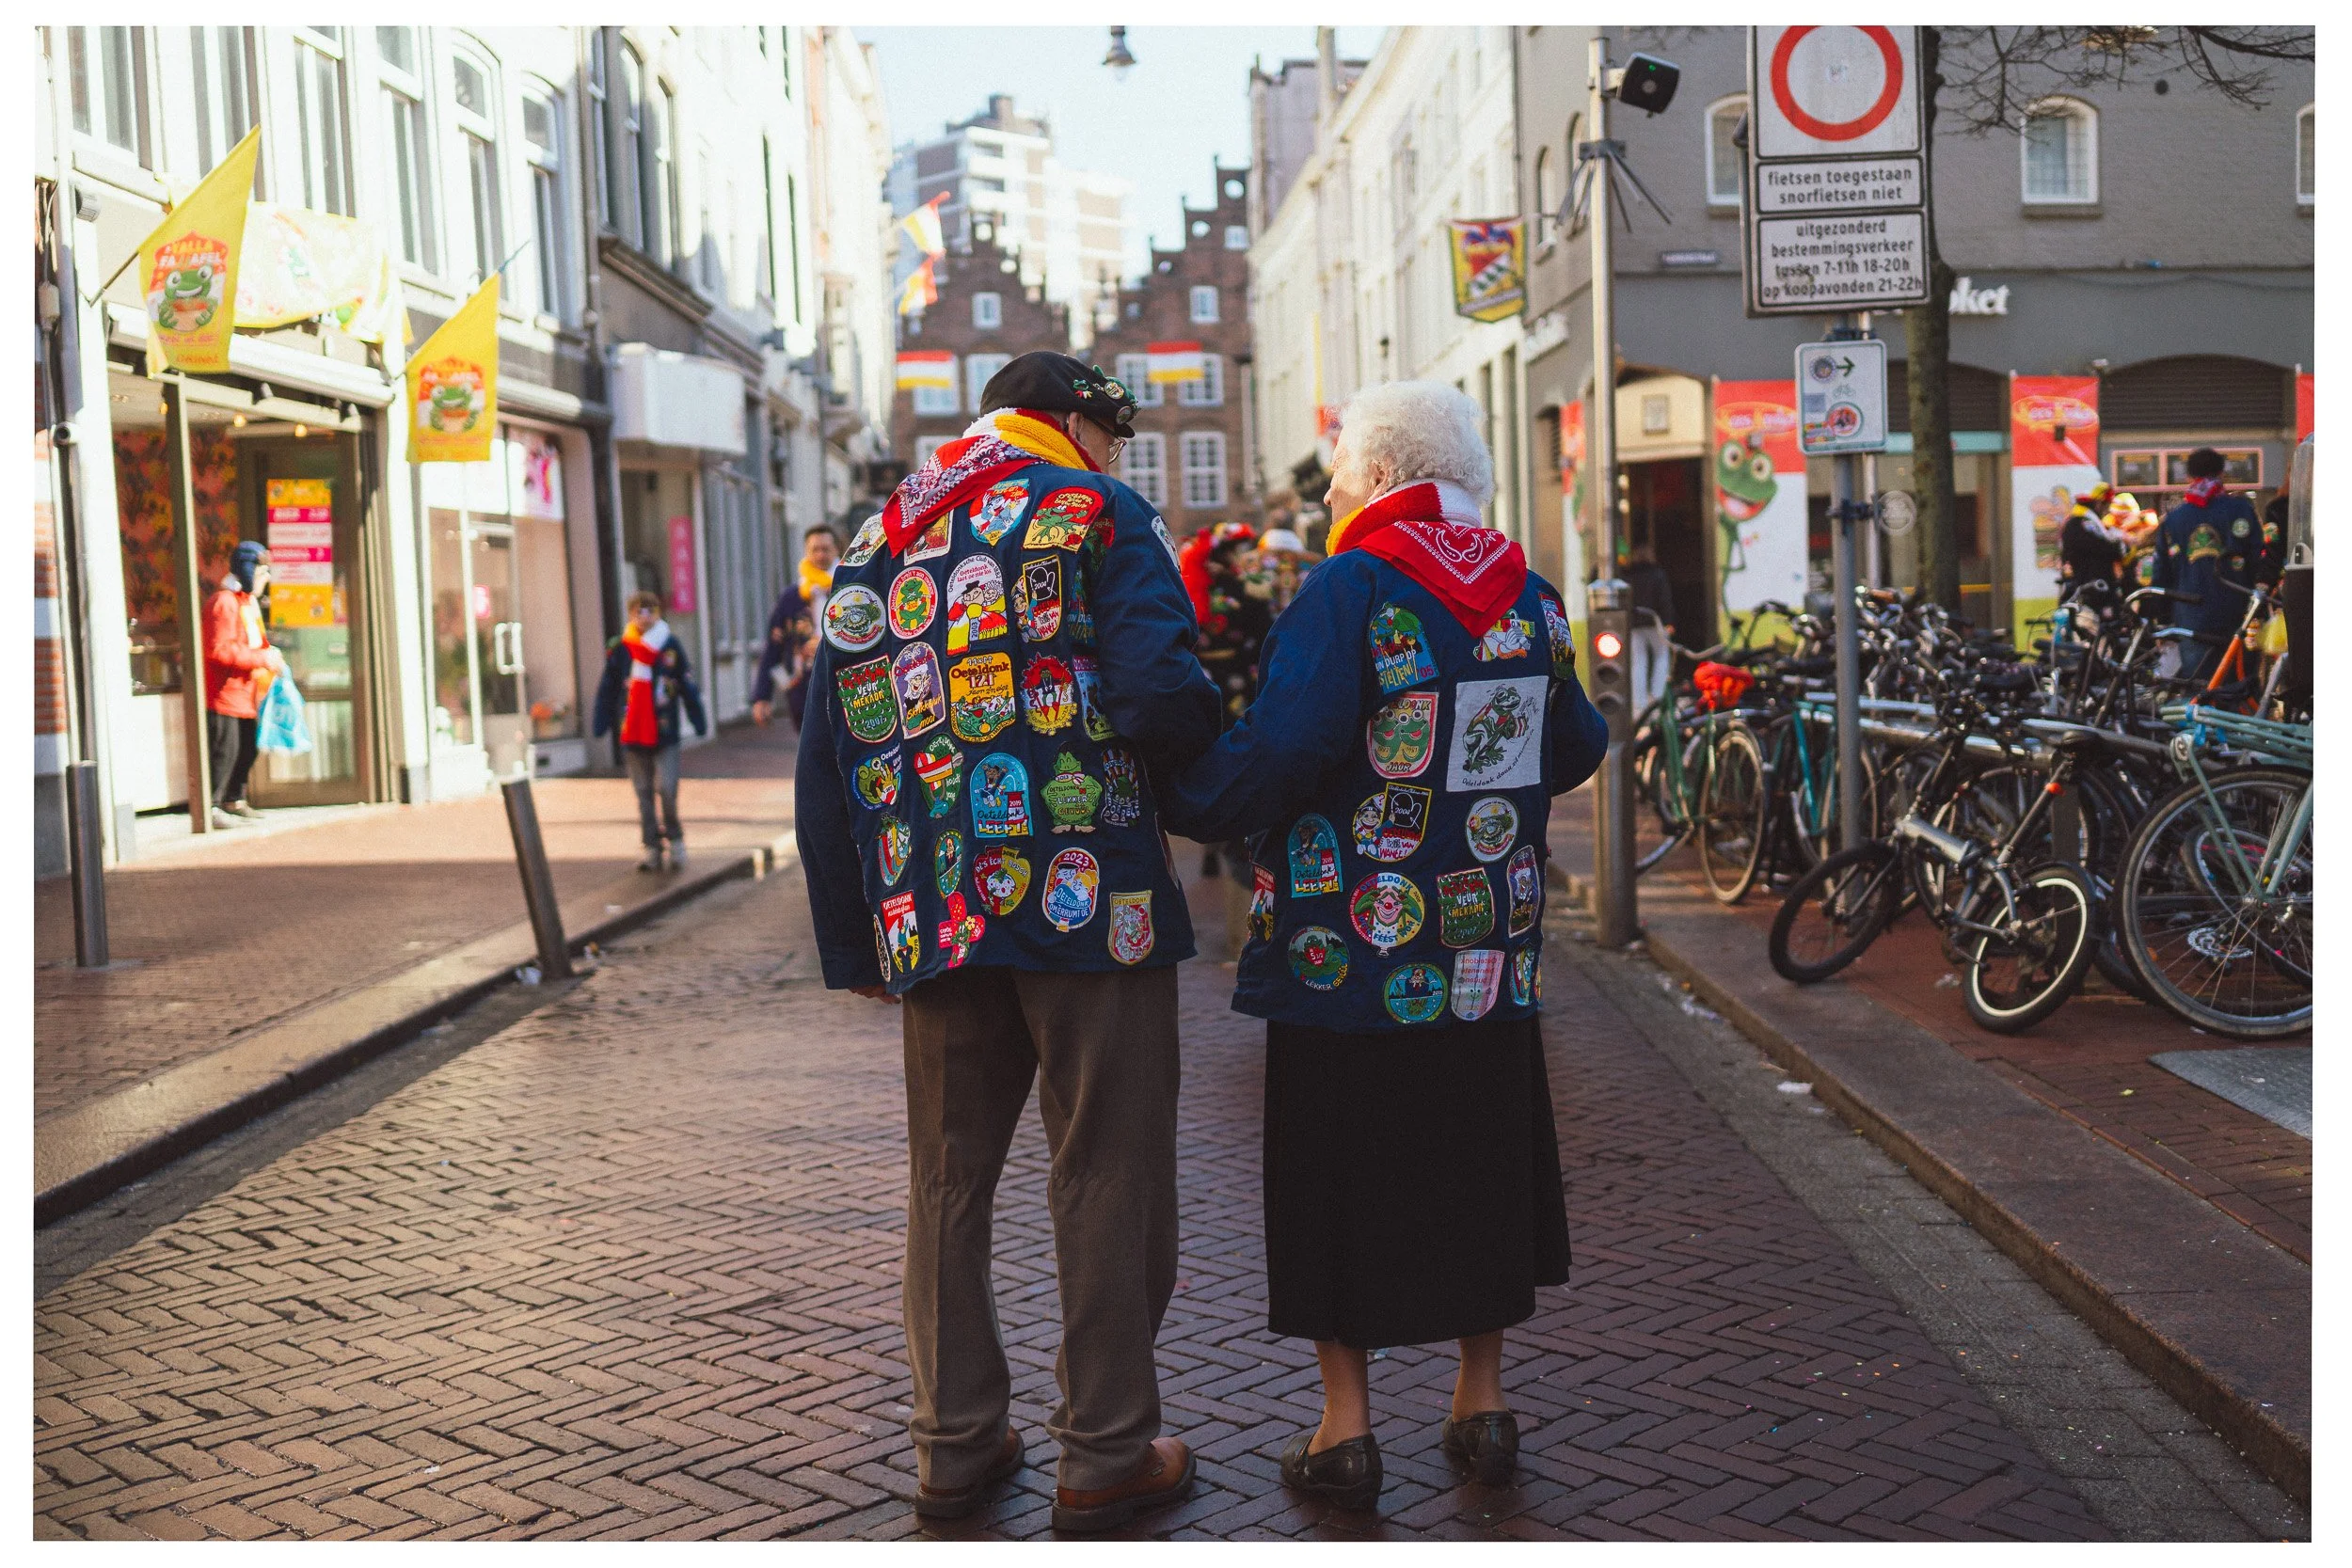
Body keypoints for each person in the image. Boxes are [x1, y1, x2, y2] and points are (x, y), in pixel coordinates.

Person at [1159, 381, 1610, 1512]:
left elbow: (1290, 746)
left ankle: (1347, 1427)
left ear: (1366, 475)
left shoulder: (1350, 587)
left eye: (1339, 477)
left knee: (1337, 1172)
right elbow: (1575, 741)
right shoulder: (1527, 589)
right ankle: (1481, 1400)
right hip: (1484, 951)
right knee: (1480, 1157)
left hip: (1345, 955)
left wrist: (1188, 797)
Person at [796, 351, 1222, 1533]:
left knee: (947, 1177)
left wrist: (859, 942)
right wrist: (1229, 786)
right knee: (1106, 1164)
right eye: (1115, 434)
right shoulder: (1094, 510)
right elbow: (1158, 695)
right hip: (1095, 905)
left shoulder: (879, 534)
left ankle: (953, 1444)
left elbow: (824, 747)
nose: (1120, 456)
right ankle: (1106, 1447)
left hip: (936, 908)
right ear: (1077, 424)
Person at [593, 590, 707, 871]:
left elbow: (685, 684)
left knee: (666, 788)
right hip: (632, 730)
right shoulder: (621, 649)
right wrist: (601, 720)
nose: (643, 618)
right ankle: (651, 847)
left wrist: (697, 718)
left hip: (663, 730)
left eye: (649, 612)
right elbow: (608, 687)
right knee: (643, 792)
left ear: (658, 614)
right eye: (637, 612)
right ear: (630, 615)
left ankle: (676, 839)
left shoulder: (669, 645)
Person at [2152, 449, 2275, 683]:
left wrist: (2161, 619)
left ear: (2188, 476)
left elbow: (2161, 575)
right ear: (2221, 473)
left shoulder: (2173, 520)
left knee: (2200, 691)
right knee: (2239, 688)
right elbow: (2260, 559)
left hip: (2191, 620)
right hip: (2238, 616)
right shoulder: (2241, 510)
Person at [202, 540, 287, 829]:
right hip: (225, 695)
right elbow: (219, 650)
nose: (267, 581)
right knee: (224, 752)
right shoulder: (224, 603)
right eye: (264, 574)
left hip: (247, 694)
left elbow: (252, 642)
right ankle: (212, 806)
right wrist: (261, 658)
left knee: (247, 750)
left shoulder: (246, 604)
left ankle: (234, 800)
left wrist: (269, 657)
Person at [751, 524, 840, 731]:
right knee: (811, 756)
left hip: (844, 687)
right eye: (814, 550)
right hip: (804, 690)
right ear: (806, 552)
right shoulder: (792, 597)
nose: (820, 555)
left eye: (825, 549)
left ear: (837, 550)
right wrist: (762, 696)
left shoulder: (849, 587)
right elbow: (774, 646)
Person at [1619, 544, 1676, 718]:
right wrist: (1669, 621)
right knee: (1661, 657)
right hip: (1655, 622)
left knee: (1638, 662)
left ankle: (1639, 703)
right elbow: (1664, 599)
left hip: (1635, 624)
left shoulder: (1628, 577)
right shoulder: (1658, 574)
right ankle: (1657, 698)